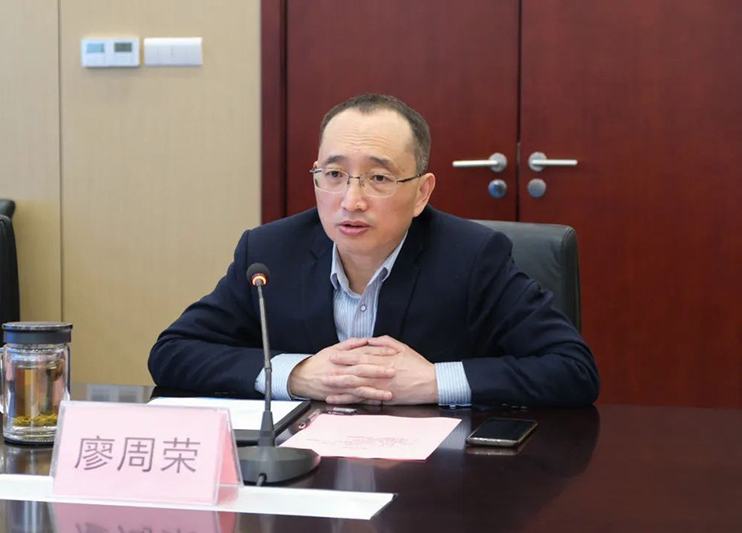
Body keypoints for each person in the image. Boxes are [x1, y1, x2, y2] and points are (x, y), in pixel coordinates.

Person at [148, 94, 599, 407]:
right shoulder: (270, 251)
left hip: (433, 484)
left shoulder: (473, 256)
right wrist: (297, 374)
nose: (351, 200)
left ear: (422, 193)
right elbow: (173, 352)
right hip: (310, 478)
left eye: (379, 178)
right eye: (334, 175)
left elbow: (572, 369)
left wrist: (434, 381)